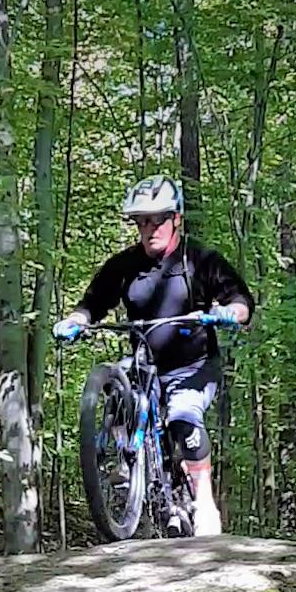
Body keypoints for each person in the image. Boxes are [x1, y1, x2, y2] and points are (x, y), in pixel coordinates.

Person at [52, 175, 254, 536]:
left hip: (193, 365)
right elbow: (94, 302)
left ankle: (204, 503)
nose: (149, 228)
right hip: (145, 364)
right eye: (142, 221)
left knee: (183, 416)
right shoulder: (124, 266)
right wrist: (76, 320)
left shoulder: (200, 260)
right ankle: (123, 465)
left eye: (158, 219)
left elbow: (241, 301)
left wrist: (229, 313)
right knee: (119, 386)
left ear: (175, 218)